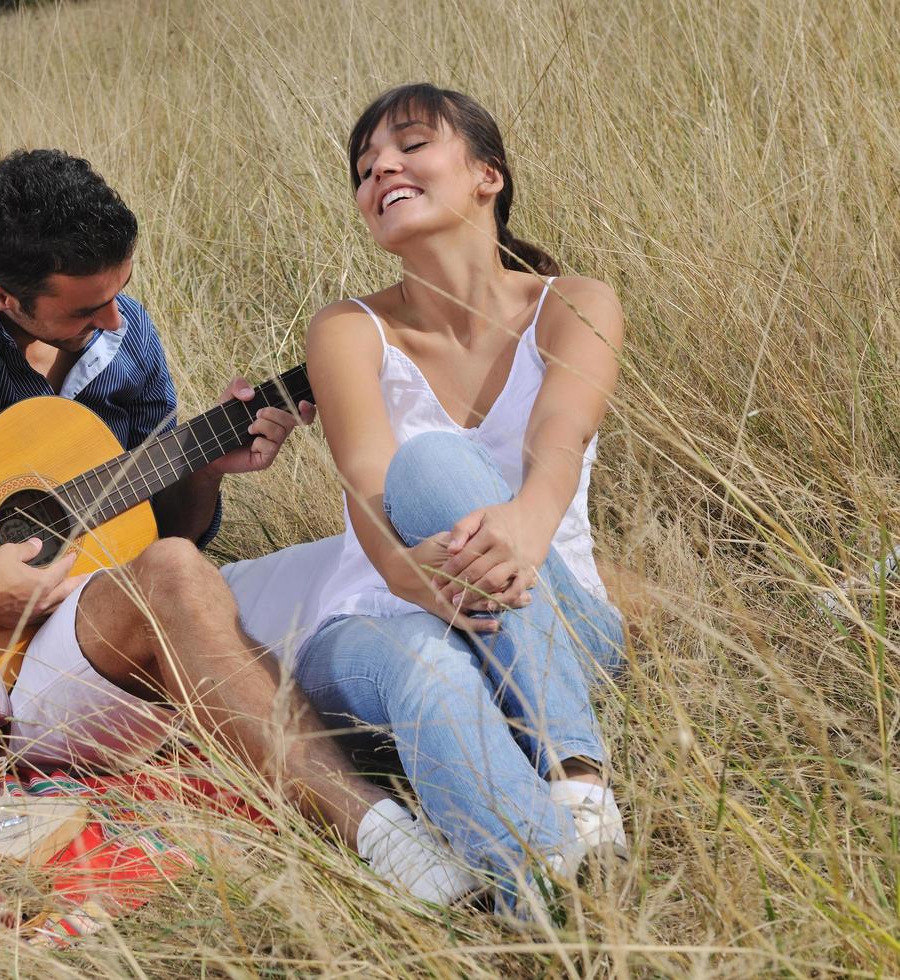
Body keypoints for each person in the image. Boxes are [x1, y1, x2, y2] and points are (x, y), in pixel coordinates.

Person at [0, 148, 481, 903]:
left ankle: (538, 780)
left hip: (103, 623)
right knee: (179, 581)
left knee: (369, 565)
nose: (115, 320)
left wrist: (202, 470)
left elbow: (164, 532)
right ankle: (388, 841)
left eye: (120, 291)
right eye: (86, 310)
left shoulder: (123, 334)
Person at [284, 83, 630, 918]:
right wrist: (410, 579)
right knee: (428, 652)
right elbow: (366, 481)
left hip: (554, 612)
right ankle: (553, 882)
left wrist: (523, 525)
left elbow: (558, 444)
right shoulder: (347, 328)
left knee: (439, 469)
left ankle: (568, 786)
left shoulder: (575, 304)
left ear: (487, 176)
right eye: (365, 167)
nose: (381, 169)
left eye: (409, 145)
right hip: (382, 615)